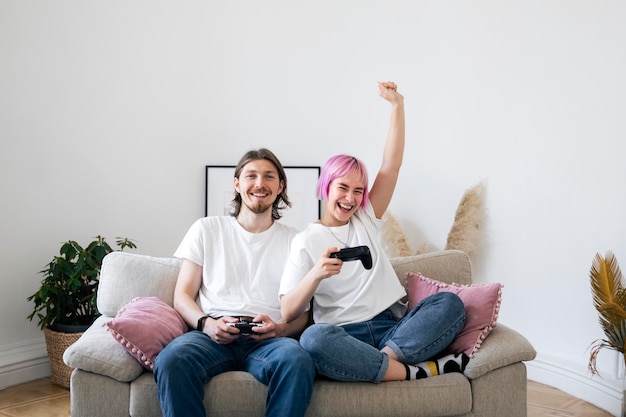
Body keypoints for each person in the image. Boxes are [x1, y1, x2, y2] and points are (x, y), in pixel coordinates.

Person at [279, 82, 468, 384]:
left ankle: (381, 365)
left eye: (358, 191)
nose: (350, 199)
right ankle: (411, 372)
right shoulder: (305, 241)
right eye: (342, 188)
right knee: (313, 339)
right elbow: (288, 312)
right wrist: (316, 274)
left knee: (450, 304)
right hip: (342, 337)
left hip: (391, 331)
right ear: (325, 188)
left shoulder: (365, 218)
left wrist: (397, 106)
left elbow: (391, 166)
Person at [154, 148, 315, 417]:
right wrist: (207, 324)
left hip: (269, 341)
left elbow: (305, 313)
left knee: (298, 360)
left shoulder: (296, 240)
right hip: (211, 333)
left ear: (280, 186)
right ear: (237, 184)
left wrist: (279, 329)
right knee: (172, 359)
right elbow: (182, 296)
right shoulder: (206, 229)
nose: (259, 184)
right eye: (251, 176)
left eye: (268, 177)